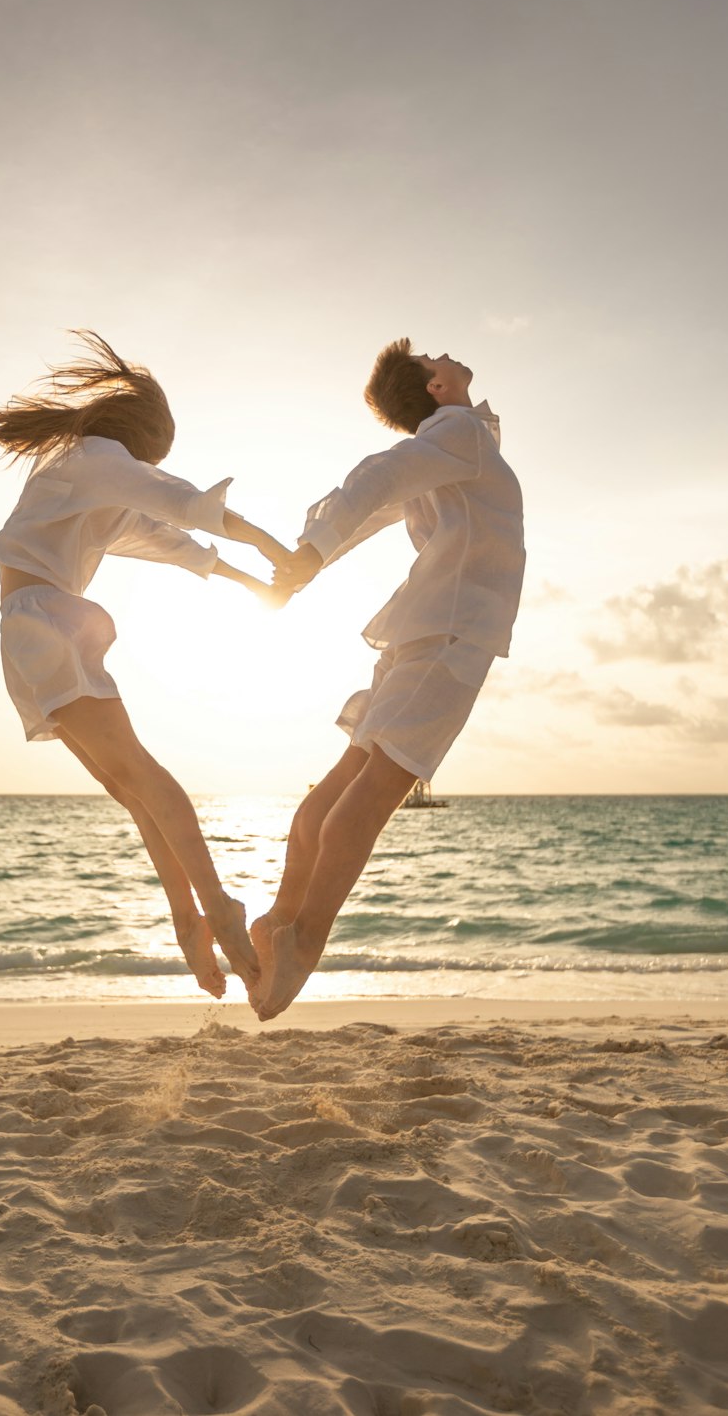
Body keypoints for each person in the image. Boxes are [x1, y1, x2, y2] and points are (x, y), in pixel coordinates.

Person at [0, 330, 290, 1000]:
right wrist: (260, 549)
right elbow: (171, 510)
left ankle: (204, 914)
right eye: (149, 458)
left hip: (37, 623)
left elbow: (170, 535)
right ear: (140, 441)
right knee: (133, 782)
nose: (142, 469)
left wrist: (253, 576)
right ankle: (199, 915)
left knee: (136, 778)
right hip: (39, 622)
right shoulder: (92, 458)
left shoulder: (84, 468)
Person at [251, 340, 526, 1020]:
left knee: (348, 778)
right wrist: (311, 552)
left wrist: (311, 555)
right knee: (373, 792)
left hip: (423, 633)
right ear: (435, 385)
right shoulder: (456, 432)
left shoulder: (452, 440)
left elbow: (373, 500)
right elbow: (376, 479)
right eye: (436, 354)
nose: (449, 351)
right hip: (451, 634)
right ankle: (304, 941)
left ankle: (281, 919)